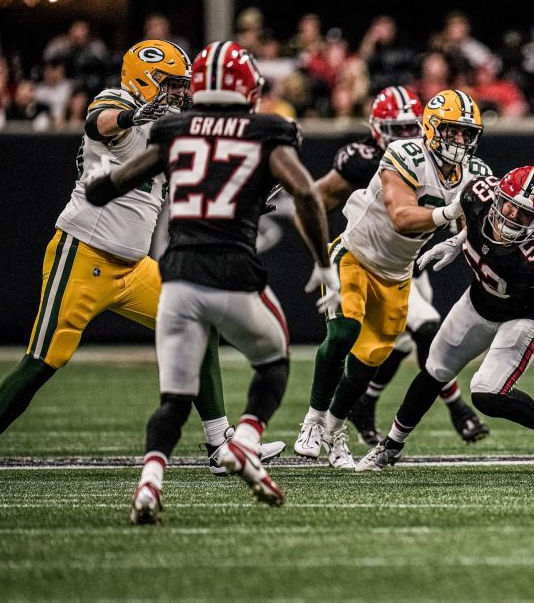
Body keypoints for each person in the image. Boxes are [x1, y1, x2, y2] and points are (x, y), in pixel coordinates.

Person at [0, 40, 285, 475]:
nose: (179, 94)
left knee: (199, 326)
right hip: (84, 253)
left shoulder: (173, 126)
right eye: (170, 85)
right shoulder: (120, 100)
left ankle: (219, 444)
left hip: (133, 267)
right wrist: (134, 115)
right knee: (43, 359)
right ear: (145, 79)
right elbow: (98, 123)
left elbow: (190, 183)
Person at [84, 40, 341, 523]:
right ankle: (242, 441)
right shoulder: (269, 129)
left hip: (177, 276)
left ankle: (150, 482)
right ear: (249, 88)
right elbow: (304, 192)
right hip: (234, 273)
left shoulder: (175, 128)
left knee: (174, 399)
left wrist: (98, 182)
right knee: (274, 359)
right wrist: (324, 264)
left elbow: (116, 183)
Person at [295, 90, 491, 469]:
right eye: (453, 131)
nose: (460, 141)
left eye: (467, 134)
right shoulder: (405, 154)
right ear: (432, 129)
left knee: (371, 359)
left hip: (399, 273)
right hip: (355, 255)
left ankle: (335, 430)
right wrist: (451, 211)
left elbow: (476, 224)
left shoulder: (475, 173)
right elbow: (402, 215)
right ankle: (313, 420)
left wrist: (463, 236)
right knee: (343, 332)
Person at [356, 166, 534, 471]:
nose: (513, 217)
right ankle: (392, 445)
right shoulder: (475, 195)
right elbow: (469, 219)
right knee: (434, 368)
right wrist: (458, 242)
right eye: (510, 206)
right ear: (497, 197)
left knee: (487, 392)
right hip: (480, 300)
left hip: (526, 313)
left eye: (526, 215)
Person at [42, 20, 111, 92]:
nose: (78, 37)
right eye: (75, 36)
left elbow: (105, 66)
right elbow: (47, 63)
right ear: (69, 32)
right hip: (63, 86)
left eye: (82, 31)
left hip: (89, 85)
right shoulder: (58, 45)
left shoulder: (96, 47)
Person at [360, 15, 417, 92]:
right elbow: (361, 61)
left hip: (400, 92)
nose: (385, 31)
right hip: (376, 94)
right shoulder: (372, 51)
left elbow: (411, 75)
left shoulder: (403, 48)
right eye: (381, 27)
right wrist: (371, 39)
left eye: (388, 28)